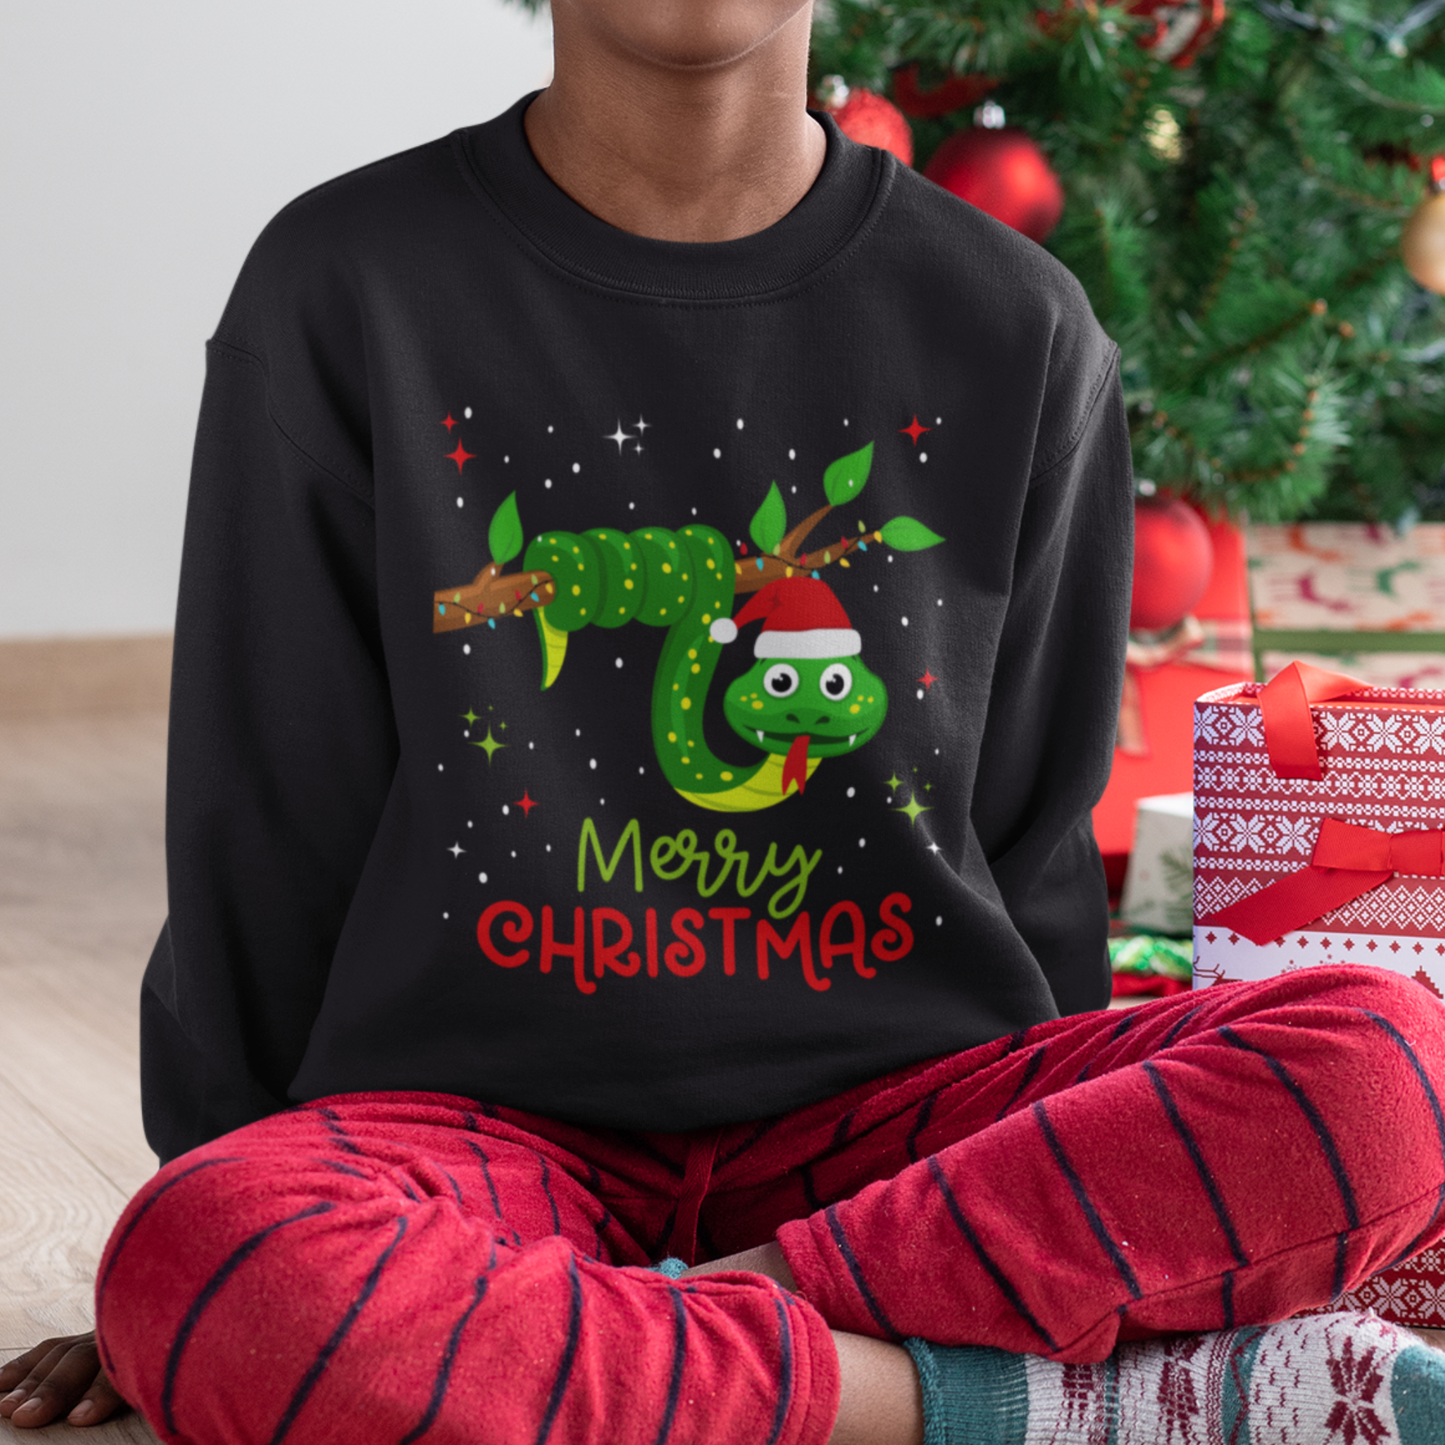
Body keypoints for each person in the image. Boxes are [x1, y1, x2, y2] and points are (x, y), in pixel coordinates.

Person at [5, 2, 1445, 1442]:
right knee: (211, 1261)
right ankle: (1013, 1403)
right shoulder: (342, 285)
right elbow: (262, 821)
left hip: (905, 1144)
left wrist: (1064, 1176)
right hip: (480, 1138)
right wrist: (218, 1226)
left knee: (1398, 1066)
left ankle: (662, 1354)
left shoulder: (1017, 323)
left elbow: (1034, 848)